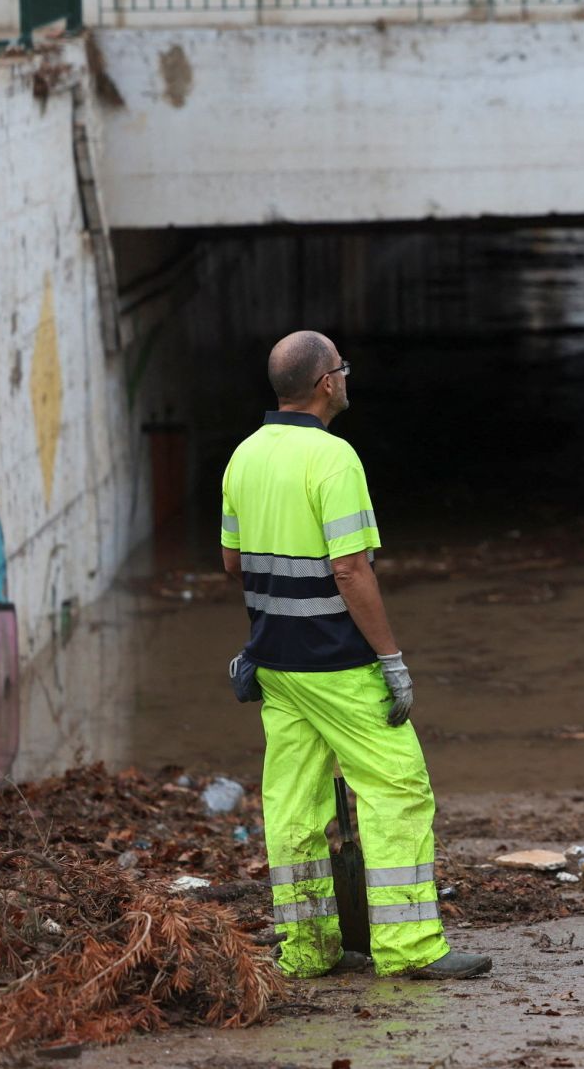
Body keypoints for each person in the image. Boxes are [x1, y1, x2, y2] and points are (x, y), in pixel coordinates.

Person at [221, 331, 491, 981]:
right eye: (342, 368)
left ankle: (307, 948)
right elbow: (349, 569)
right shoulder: (334, 459)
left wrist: (269, 626)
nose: (346, 376)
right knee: (398, 787)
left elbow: (233, 561)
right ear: (326, 383)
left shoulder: (244, 456)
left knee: (293, 803)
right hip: (337, 662)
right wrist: (390, 657)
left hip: (275, 663)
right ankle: (410, 946)